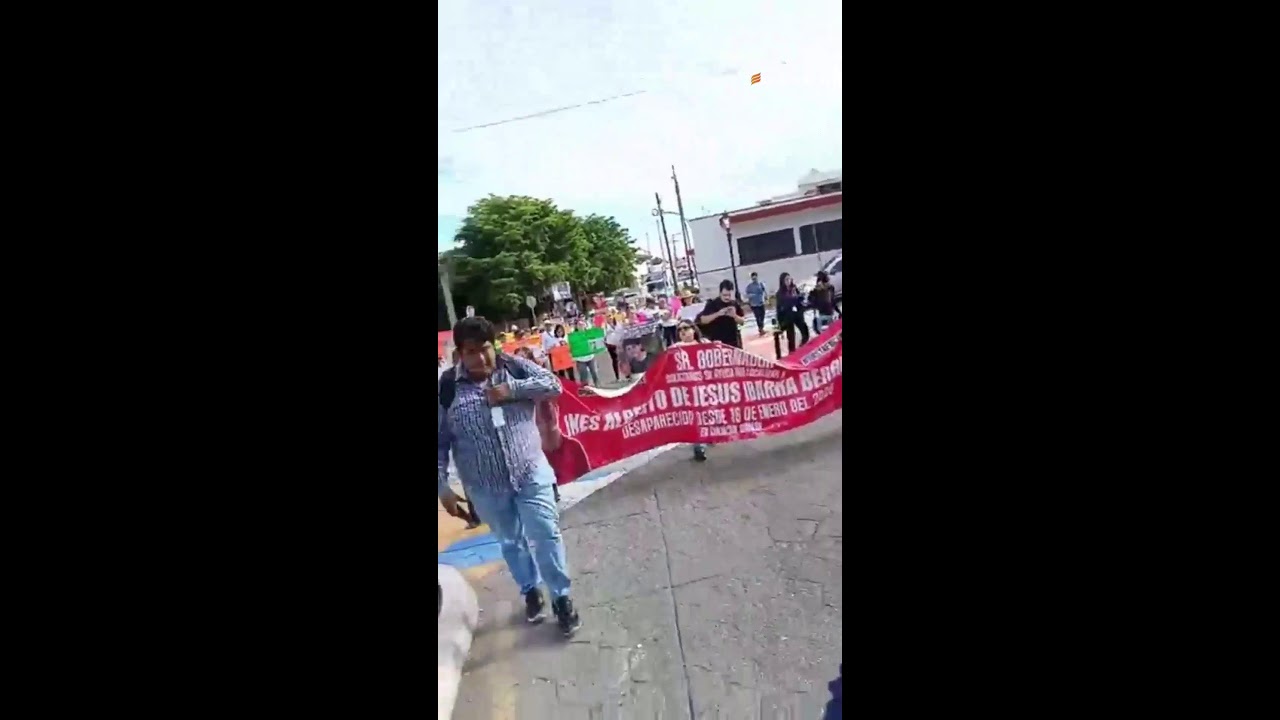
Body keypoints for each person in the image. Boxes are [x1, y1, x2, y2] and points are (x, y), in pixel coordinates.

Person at [437, 316, 582, 636]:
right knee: (511, 542)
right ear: (460, 353)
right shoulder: (447, 388)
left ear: (494, 346)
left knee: (545, 533)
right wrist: (442, 486)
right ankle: (530, 589)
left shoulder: (515, 367)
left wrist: (511, 390)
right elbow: (440, 442)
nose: (481, 358)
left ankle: (561, 597)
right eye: (471, 352)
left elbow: (553, 386)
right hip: (486, 487)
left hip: (530, 472)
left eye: (485, 349)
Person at [673, 320, 711, 462]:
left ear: (694, 330)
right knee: (695, 417)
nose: (682, 331)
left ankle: (708, 435)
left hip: (705, 386)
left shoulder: (704, 343)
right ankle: (698, 446)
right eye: (680, 329)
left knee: (707, 413)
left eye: (686, 328)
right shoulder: (675, 349)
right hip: (687, 389)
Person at [696, 280, 746, 347]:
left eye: (729, 295)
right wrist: (718, 314)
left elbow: (742, 322)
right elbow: (702, 320)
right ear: (720, 293)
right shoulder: (712, 304)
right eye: (724, 295)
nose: (727, 297)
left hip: (733, 340)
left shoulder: (734, 303)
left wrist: (734, 316)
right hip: (717, 341)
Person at [776, 272, 810, 354]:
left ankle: (803, 346)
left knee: (804, 330)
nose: (788, 281)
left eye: (789, 279)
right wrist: (780, 321)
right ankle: (792, 352)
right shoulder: (780, 293)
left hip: (797, 313)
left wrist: (802, 302)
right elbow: (784, 303)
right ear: (782, 281)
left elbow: (799, 300)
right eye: (786, 280)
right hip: (788, 316)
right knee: (791, 335)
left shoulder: (794, 288)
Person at [568, 319, 601, 387]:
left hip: (590, 357)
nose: (581, 326)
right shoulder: (573, 336)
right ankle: (585, 388)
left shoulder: (589, 333)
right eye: (579, 325)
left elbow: (596, 340)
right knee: (583, 375)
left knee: (594, 373)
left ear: (585, 325)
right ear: (576, 326)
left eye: (582, 324)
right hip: (580, 359)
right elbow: (571, 347)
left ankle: (598, 387)